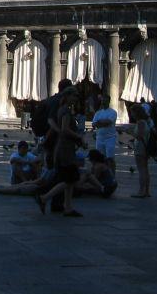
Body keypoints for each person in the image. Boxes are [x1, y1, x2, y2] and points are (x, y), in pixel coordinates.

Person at [36, 88, 84, 217]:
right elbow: (65, 130)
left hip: (63, 148)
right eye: (74, 96)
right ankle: (44, 198)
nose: (76, 98)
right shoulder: (66, 111)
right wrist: (79, 138)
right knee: (69, 180)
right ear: (67, 96)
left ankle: (68, 207)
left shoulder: (62, 109)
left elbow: (53, 124)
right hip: (65, 149)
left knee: (70, 179)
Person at [130, 104, 152, 198]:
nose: (131, 114)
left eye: (132, 112)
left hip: (140, 147)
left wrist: (129, 132)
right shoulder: (146, 121)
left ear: (136, 113)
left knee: (141, 169)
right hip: (145, 146)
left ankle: (141, 191)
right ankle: (146, 191)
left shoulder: (140, 122)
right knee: (145, 169)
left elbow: (139, 136)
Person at [91, 96, 118, 171]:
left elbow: (109, 122)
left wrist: (99, 122)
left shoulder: (113, 112)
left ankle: (112, 174)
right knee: (100, 158)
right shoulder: (98, 113)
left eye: (105, 101)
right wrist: (102, 122)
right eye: (102, 101)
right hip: (99, 138)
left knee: (110, 158)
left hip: (110, 138)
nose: (103, 102)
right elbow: (93, 124)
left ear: (108, 101)